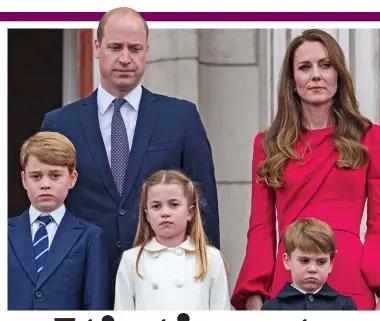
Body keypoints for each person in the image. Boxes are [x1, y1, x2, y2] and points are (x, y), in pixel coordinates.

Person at [40, 7, 219, 306]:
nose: (125, 58)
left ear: (147, 51)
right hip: (82, 283)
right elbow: (45, 209)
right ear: (97, 48)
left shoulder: (181, 117)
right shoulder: (60, 123)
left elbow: (204, 204)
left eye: (135, 48)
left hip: (163, 285)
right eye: (115, 47)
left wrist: (206, 274)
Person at [231, 29, 380, 311]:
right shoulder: (268, 144)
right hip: (288, 281)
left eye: (325, 65)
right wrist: (254, 293)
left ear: (338, 75)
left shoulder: (370, 137)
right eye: (305, 67)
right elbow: (260, 226)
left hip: (350, 277)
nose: (316, 75)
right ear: (293, 81)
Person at [8, 132, 109, 310]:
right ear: (24, 180)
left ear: (72, 179)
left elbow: (96, 303)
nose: (45, 184)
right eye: (36, 176)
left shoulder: (90, 237)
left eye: (55, 176)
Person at [114, 170, 230, 310]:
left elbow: (221, 312)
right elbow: (123, 312)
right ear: (147, 215)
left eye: (174, 205)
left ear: (190, 212)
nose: (165, 213)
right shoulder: (132, 260)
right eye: (156, 206)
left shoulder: (210, 258)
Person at [261, 218, 357, 310]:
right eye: (304, 261)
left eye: (321, 262)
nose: (312, 269)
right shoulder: (271, 308)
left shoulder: (344, 306)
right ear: (287, 261)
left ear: (330, 264)